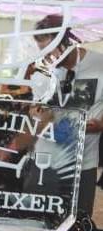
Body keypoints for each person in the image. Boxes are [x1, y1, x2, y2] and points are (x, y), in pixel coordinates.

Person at [32, 14, 103, 215]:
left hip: (83, 165)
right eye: (41, 50)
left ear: (68, 42)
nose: (46, 56)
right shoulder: (43, 72)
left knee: (78, 228)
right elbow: (36, 110)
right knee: (39, 222)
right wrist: (34, 113)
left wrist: (100, 125)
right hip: (44, 162)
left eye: (49, 49)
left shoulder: (101, 65)